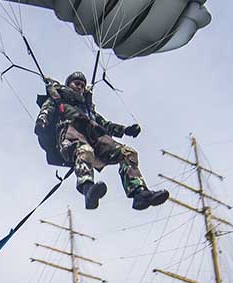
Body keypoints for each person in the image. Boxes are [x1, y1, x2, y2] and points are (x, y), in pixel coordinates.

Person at [35, 72, 169, 211]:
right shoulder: (58, 99)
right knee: (85, 151)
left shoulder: (88, 109)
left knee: (128, 153)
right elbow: (46, 111)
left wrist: (125, 130)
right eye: (76, 84)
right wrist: (41, 122)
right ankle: (88, 190)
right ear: (69, 84)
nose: (80, 87)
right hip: (71, 134)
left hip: (95, 137)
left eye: (82, 85)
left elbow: (105, 125)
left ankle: (139, 193)